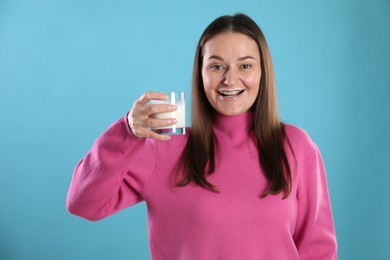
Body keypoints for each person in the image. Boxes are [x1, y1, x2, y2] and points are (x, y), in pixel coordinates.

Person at [67, 13, 338, 259]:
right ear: (200, 73)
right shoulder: (163, 147)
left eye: (245, 66)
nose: (230, 80)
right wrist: (127, 131)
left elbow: (319, 250)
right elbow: (83, 203)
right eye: (216, 66)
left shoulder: (296, 147)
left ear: (263, 72)